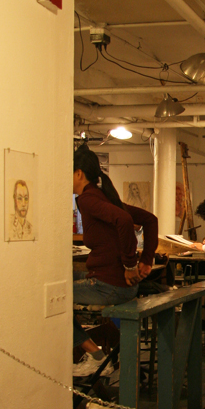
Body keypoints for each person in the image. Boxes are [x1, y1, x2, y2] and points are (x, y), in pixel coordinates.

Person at [73, 144, 158, 374]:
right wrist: (146, 260)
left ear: (79, 173)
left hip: (110, 286)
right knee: (63, 277)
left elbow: (123, 220)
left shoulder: (88, 199)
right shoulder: (105, 197)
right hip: (120, 284)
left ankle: (96, 356)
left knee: (54, 299)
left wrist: (131, 265)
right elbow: (150, 220)